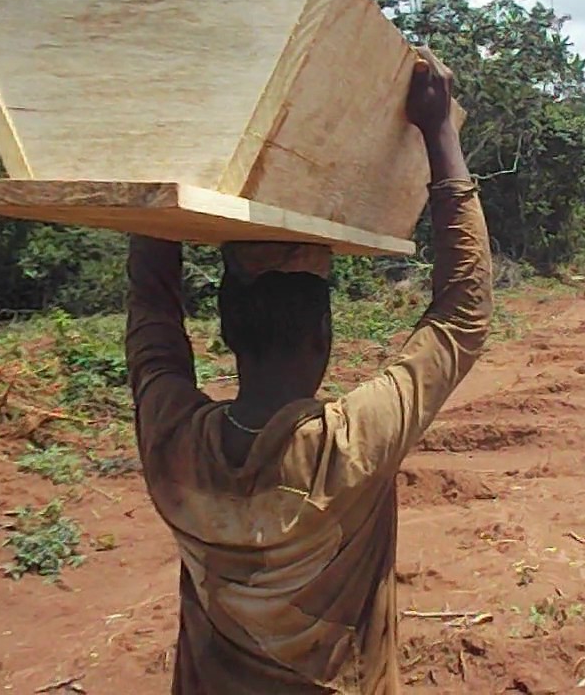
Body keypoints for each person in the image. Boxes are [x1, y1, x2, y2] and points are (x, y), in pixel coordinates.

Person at [125, 47, 492, 694]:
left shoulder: (174, 445)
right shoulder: (346, 449)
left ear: (224, 327)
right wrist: (440, 132)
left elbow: (152, 318)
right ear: (324, 335)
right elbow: (462, 317)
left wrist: (170, 160)